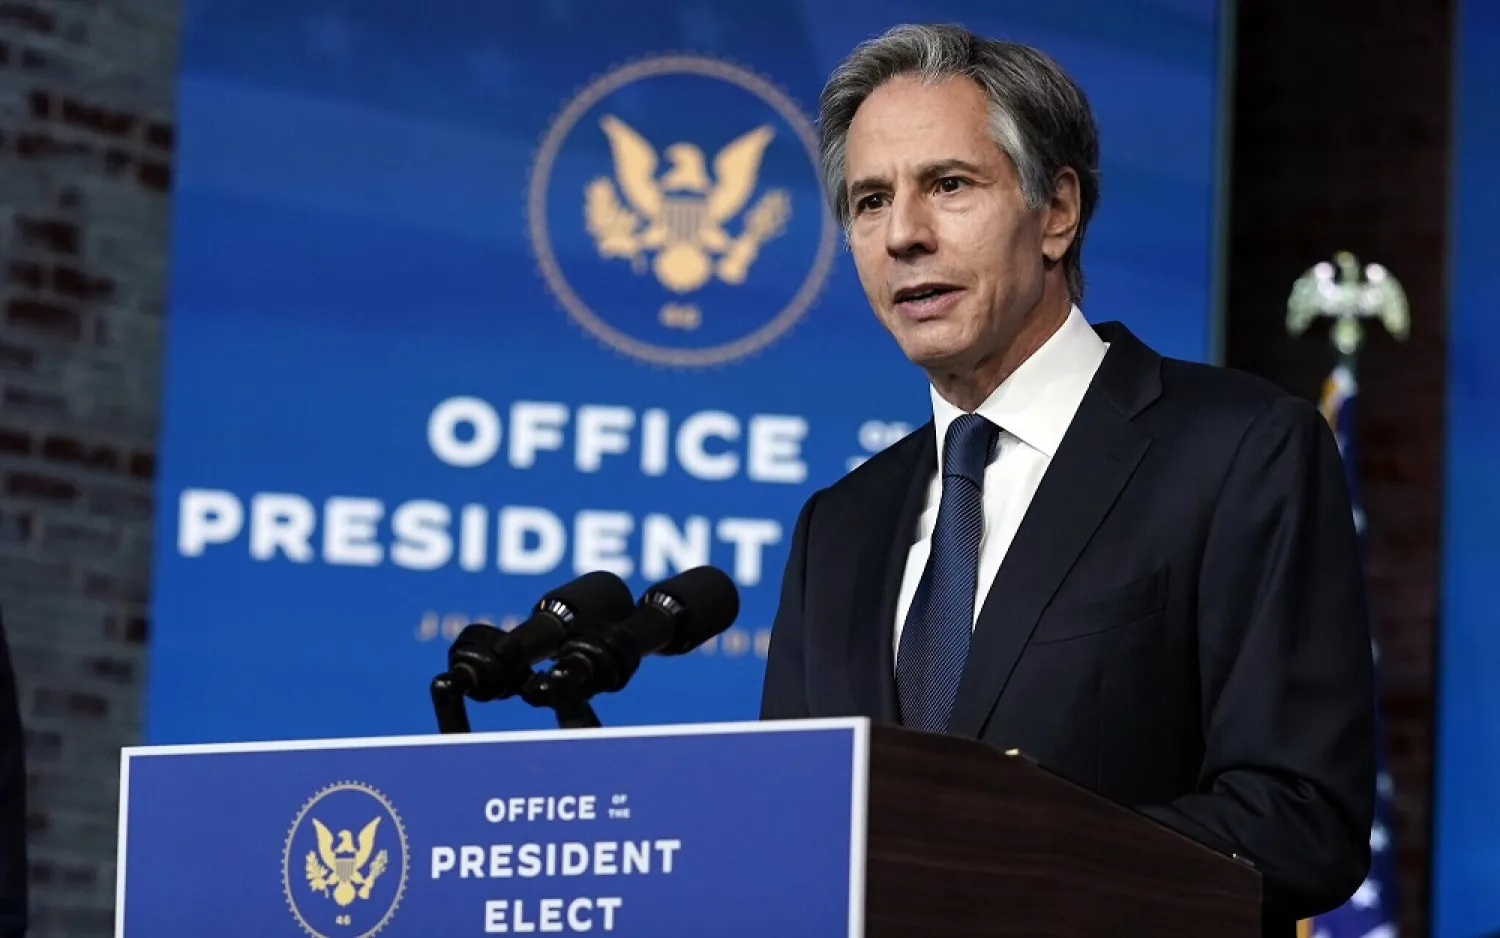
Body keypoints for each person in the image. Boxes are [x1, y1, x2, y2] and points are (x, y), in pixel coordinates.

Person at [759, 23, 1374, 936]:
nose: (904, 235)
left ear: (1056, 211)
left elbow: (1299, 820)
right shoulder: (837, 529)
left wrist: (1005, 865)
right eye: (870, 201)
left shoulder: (1240, 451)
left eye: (949, 185)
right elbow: (787, 837)